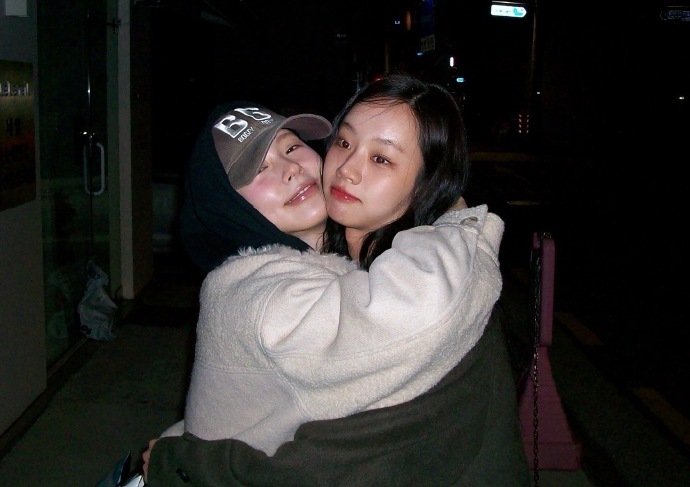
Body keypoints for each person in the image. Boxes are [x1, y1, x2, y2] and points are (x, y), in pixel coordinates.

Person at [144, 74, 529, 486]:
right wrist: (462, 224)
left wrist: (182, 458)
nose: (346, 169)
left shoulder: (379, 277)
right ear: (226, 206)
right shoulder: (262, 295)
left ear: (426, 182)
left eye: (292, 147)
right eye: (344, 143)